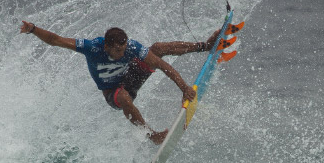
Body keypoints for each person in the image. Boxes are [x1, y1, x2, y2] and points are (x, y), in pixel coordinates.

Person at [20, 21, 220, 144]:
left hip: (130, 78)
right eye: (117, 51)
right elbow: (55, 39)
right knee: (123, 96)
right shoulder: (91, 47)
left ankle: (204, 45)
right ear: (107, 46)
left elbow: (160, 64)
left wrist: (184, 88)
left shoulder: (131, 48)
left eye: (124, 50)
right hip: (112, 93)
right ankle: (152, 136)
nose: (122, 54)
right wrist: (33, 29)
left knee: (157, 48)